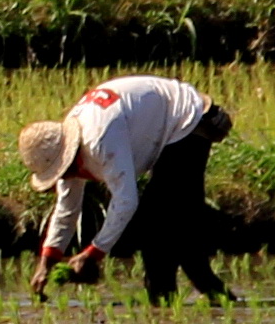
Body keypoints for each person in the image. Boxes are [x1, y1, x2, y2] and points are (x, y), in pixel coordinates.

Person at [22, 72, 237, 306]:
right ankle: (211, 297)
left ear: (69, 155)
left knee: (157, 222)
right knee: (177, 229)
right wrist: (46, 264)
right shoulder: (70, 152)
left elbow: (126, 200)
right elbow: (66, 210)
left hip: (185, 120)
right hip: (156, 125)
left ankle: (164, 301)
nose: (64, 178)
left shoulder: (99, 141)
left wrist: (93, 254)